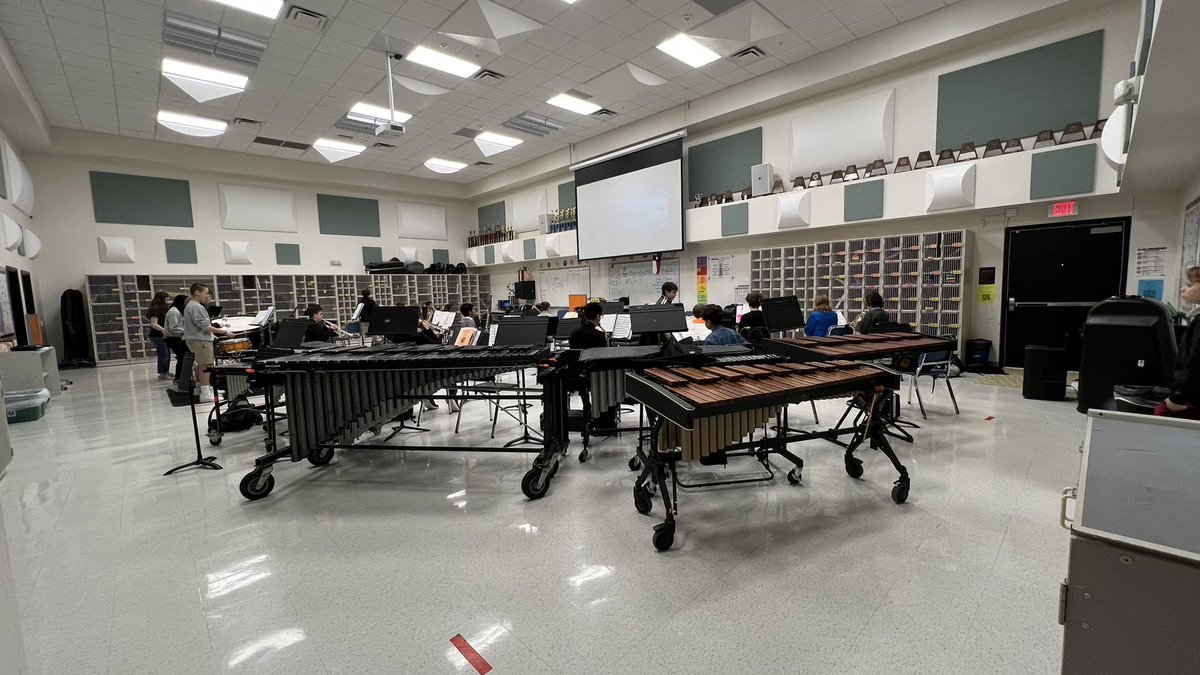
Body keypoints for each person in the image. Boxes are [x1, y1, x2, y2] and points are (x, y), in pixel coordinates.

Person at [1158, 280, 1200, 419]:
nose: (1183, 290)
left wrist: (1177, 398)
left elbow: (1194, 362)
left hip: (1190, 400)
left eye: (1190, 285)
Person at [183, 282, 232, 400]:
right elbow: (205, 327)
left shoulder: (190, 305)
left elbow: (197, 325)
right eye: (205, 293)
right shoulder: (197, 307)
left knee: (200, 364)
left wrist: (211, 335)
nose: (207, 295)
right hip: (201, 341)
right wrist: (224, 332)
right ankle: (205, 393)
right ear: (197, 292)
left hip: (195, 339)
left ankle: (201, 387)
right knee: (206, 365)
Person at [146, 291, 171, 380]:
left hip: (162, 335)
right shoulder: (156, 309)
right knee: (163, 354)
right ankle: (162, 373)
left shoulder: (163, 308)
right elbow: (154, 324)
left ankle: (166, 371)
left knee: (167, 353)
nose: (168, 301)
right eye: (166, 299)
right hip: (157, 335)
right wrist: (164, 330)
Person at [164, 294, 188, 383]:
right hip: (173, 338)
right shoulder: (174, 312)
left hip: (175, 337)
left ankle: (180, 377)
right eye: (186, 302)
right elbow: (173, 327)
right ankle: (178, 378)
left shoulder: (177, 311)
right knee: (182, 357)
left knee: (182, 357)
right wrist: (186, 331)